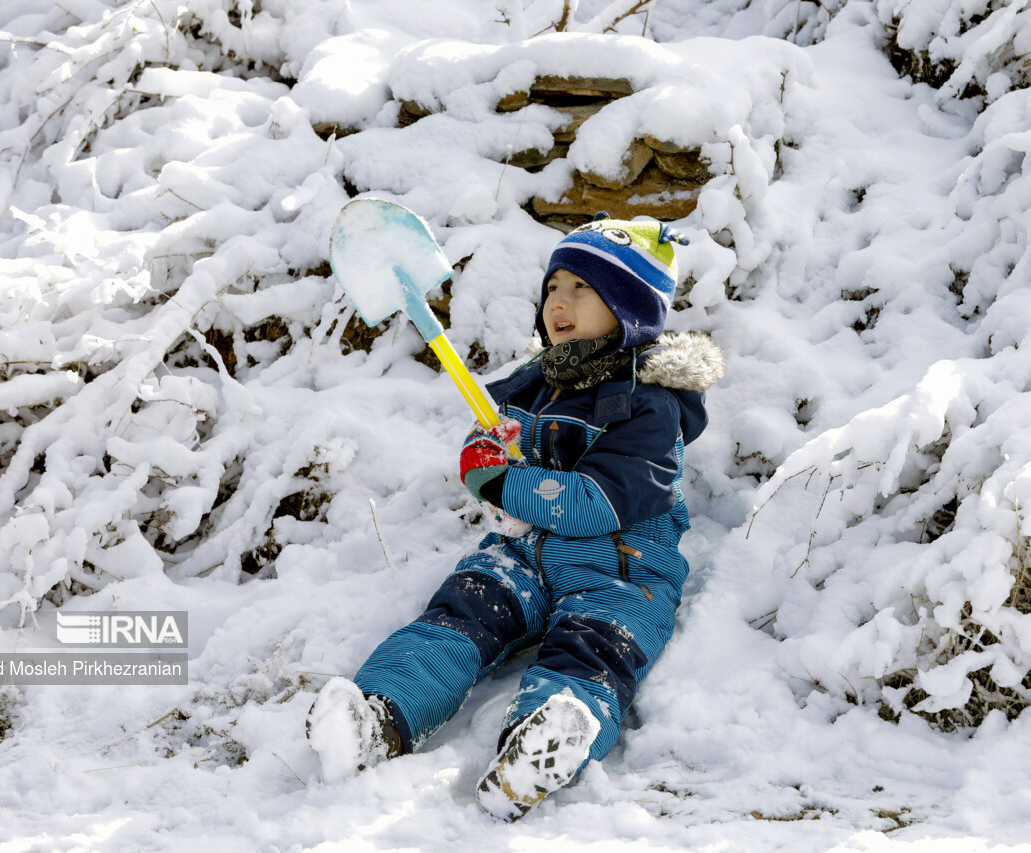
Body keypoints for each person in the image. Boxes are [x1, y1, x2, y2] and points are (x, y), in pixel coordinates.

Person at [306, 214, 725, 820]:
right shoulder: (537, 384)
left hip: (618, 564)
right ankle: (380, 715)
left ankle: (541, 746)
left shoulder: (652, 403)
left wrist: (506, 479)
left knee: (596, 648)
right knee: (461, 611)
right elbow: (504, 457)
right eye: (554, 286)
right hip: (524, 551)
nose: (560, 300)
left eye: (583, 288)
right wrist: (492, 451)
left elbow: (599, 502)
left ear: (629, 308)